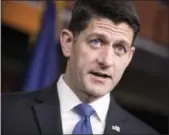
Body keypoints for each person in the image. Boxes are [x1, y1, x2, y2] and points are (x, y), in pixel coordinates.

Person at [2, 0, 159, 134]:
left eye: (119, 48)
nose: (106, 61)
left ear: (129, 57)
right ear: (68, 43)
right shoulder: (5, 114)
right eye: (96, 42)